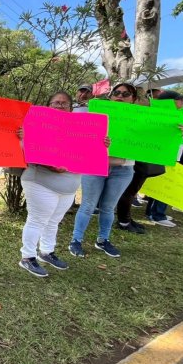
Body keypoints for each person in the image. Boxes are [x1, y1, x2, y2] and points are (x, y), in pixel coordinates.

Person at [19, 92, 97, 277]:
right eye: (56, 103)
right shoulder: (37, 124)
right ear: (48, 106)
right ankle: (27, 257)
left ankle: (47, 252)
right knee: (37, 220)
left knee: (54, 221)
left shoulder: (82, 128)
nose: (60, 106)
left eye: (64, 103)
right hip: (41, 181)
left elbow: (90, 152)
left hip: (69, 186)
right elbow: (27, 149)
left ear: (71, 108)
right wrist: (49, 165)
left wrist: (102, 143)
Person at [69, 82, 137, 259]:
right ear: (111, 95)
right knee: (88, 205)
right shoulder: (96, 112)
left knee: (108, 207)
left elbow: (159, 135)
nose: (120, 96)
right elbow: (77, 133)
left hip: (123, 169)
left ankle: (103, 240)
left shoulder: (140, 118)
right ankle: (76, 240)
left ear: (133, 99)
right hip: (95, 165)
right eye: (117, 92)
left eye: (126, 93)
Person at [144, 90, 183, 226]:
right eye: (180, 99)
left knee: (159, 184)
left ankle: (152, 212)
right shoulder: (164, 116)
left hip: (171, 156)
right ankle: (158, 214)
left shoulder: (177, 115)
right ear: (170, 102)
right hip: (165, 156)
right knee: (164, 185)